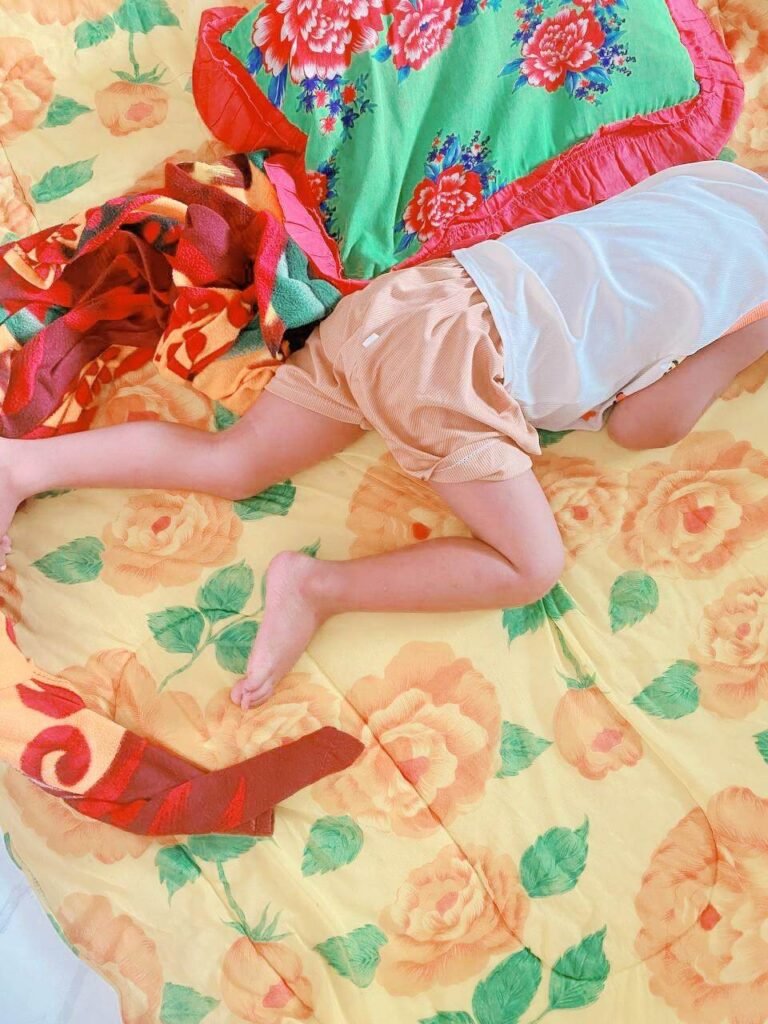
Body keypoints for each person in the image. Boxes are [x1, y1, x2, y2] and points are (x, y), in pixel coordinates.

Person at [2, 160, 767, 711]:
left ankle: (22, 467)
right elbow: (644, 425)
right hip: (462, 365)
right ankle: (319, 588)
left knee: (237, 462)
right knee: (530, 565)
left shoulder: (720, 178)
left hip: (412, 302)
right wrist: (747, 340)